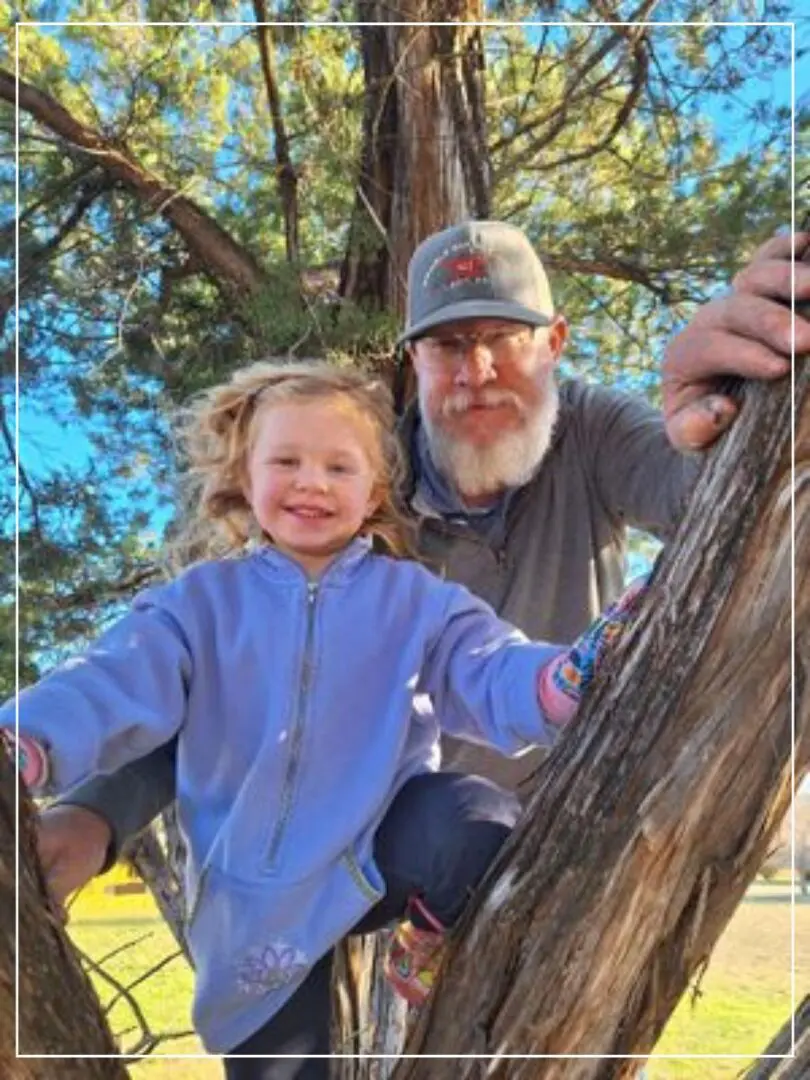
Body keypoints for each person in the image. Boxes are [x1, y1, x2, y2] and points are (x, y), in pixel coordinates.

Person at [24, 221, 810, 1035]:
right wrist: (101, 813)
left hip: (552, 821)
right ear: (415, 362)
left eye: (503, 338)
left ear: (556, 342)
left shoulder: (594, 431)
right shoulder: (357, 490)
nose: (475, 373)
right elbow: (219, 684)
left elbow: (713, 504)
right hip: (362, 831)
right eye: (446, 346)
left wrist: (740, 407)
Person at [3, 361, 644, 1076]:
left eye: (339, 466)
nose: (312, 482)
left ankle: (424, 941)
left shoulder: (415, 600)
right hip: (256, 897)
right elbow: (110, 679)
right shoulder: (198, 605)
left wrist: (554, 682)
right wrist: (28, 737)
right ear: (245, 477)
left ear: (373, 493)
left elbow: (489, 665)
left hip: (372, 847)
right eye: (286, 462)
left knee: (480, 820)